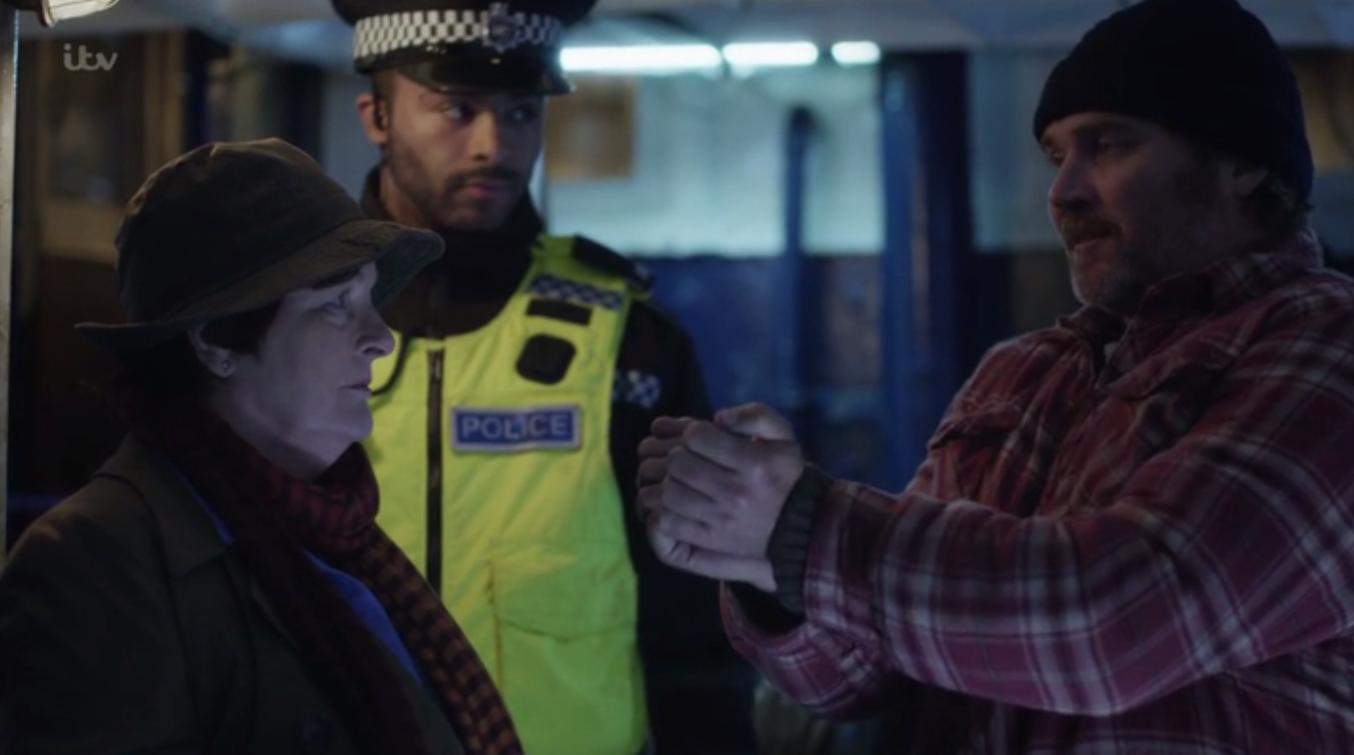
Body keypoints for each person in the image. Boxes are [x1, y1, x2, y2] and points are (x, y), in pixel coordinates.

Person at [637, 0, 1354, 752]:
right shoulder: (1022, 373)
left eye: (1106, 145)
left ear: (1242, 163)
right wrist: (761, 567)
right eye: (1057, 156)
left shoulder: (1326, 350)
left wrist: (799, 529)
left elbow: (1117, 621)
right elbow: (866, 680)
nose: (1063, 192)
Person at [0, 138, 525, 755]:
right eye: (335, 305)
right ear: (217, 342)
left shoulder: (330, 531)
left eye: (369, 297)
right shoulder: (96, 562)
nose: (381, 338)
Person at [330, 2, 751, 753]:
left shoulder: (627, 340)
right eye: (456, 109)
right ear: (377, 116)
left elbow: (690, 619)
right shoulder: (303, 320)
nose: (495, 144)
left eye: (522, 111)